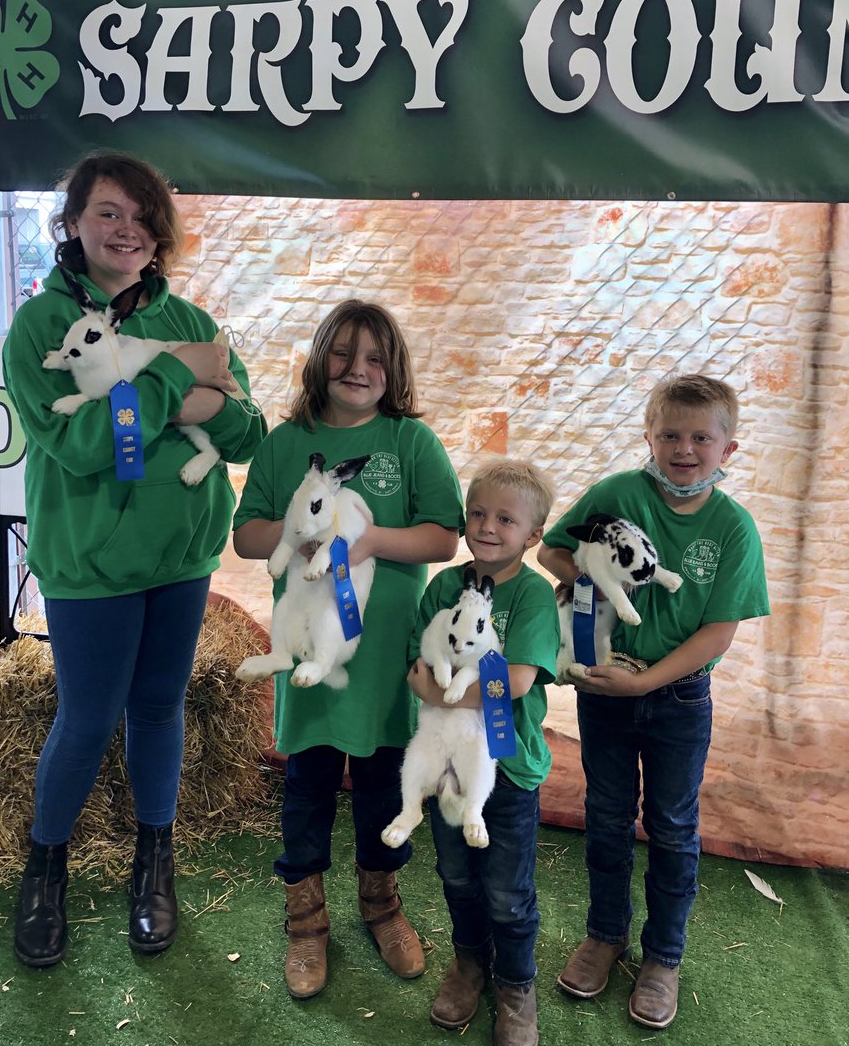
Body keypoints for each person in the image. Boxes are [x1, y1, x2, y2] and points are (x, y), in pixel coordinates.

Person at [2, 152, 267, 968]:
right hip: (89, 565)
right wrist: (178, 382)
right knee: (87, 718)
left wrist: (175, 392)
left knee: (158, 707)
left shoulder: (190, 320)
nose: (128, 229)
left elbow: (248, 432)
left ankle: (156, 862)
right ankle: (45, 869)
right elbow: (88, 445)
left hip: (180, 559)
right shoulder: (41, 327)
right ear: (73, 222)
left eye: (142, 215)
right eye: (109, 212)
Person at [233, 299, 463, 999]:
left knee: (382, 783)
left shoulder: (411, 443)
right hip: (313, 658)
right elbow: (246, 535)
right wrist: (300, 538)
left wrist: (364, 543)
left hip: (385, 660)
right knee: (307, 785)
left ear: (393, 370)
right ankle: (305, 920)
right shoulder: (285, 444)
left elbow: (442, 536)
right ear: (319, 360)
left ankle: (381, 903)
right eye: (342, 353)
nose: (356, 369)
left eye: (373, 358)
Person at [538, 374, 769, 1031]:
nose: (684, 449)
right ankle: (604, 935)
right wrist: (594, 580)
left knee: (671, 824)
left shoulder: (734, 529)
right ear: (649, 437)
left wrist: (647, 681)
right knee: (607, 814)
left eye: (701, 438)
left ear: (728, 449)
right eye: (670, 435)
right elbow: (554, 550)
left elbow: (717, 633)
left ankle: (663, 956)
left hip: (679, 699)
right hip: (605, 688)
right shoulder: (618, 494)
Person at [406, 459, 559, 1046]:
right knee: (455, 873)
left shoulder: (534, 596)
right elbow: (419, 662)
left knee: (507, 889)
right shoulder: (443, 588)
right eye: (477, 514)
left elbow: (516, 680)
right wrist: (428, 685)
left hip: (509, 768)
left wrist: (442, 692)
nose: (487, 527)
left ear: (534, 535)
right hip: (450, 766)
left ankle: (516, 984)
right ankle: (470, 962)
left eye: (505, 519)